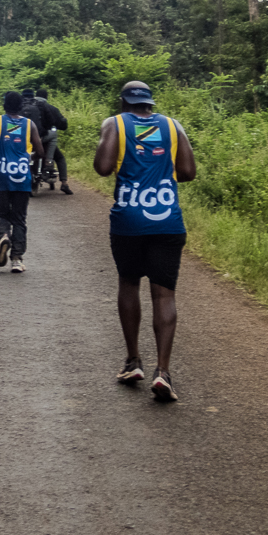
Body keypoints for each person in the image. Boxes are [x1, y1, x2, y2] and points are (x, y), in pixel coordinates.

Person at [93, 81, 196, 402]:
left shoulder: (115, 123)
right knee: (164, 295)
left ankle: (133, 361)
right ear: (150, 103)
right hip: (167, 219)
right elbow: (189, 171)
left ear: (124, 102)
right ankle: (163, 372)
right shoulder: (173, 126)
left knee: (128, 283)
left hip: (129, 222)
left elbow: (102, 167)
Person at [0, 91, 43, 273]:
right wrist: (30, 155)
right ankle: (16, 259)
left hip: (2, 174)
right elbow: (40, 151)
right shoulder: (29, 124)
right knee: (19, 218)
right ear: (21, 107)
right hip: (22, 177)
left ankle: (2, 236)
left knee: (1, 213)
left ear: (4, 106)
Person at [35, 87, 73, 195]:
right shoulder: (51, 108)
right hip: (44, 138)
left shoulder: (27, 107)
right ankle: (64, 183)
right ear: (46, 97)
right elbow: (62, 124)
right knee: (60, 158)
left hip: (28, 140)